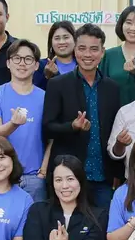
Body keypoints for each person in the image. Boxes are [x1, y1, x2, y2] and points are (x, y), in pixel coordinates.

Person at [43, 23, 123, 211]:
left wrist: (117, 172)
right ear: (75, 50)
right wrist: (72, 126)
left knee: (103, 225)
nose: (88, 54)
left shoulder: (112, 88)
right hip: (68, 175)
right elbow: (47, 127)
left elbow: (115, 130)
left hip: (103, 176)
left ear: (102, 52)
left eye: (94, 49)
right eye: (82, 48)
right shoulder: (57, 84)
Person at [0, 40, 50, 202]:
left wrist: (43, 171)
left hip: (35, 178)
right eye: (17, 58)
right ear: (8, 63)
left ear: (36, 65)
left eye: (28, 59)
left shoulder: (46, 97)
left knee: (35, 218)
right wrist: (14, 124)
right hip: (1, 175)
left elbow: (52, 138)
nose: (22, 63)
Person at [33, 21, 77, 90]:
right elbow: (36, 92)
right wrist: (46, 77)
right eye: (57, 38)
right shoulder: (41, 65)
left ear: (75, 40)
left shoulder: (82, 65)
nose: (61, 42)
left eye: (66, 37)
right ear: (51, 42)